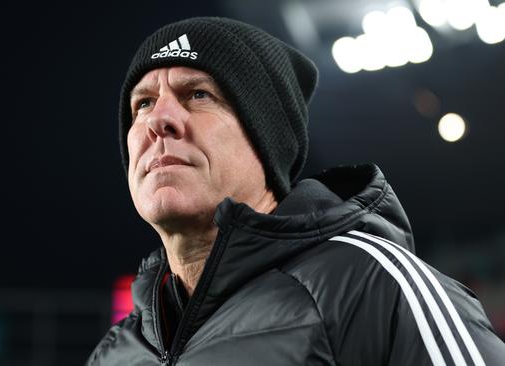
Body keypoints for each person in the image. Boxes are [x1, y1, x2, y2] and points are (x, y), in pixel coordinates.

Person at [87, 17, 505, 365]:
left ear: (267, 139)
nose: (158, 119)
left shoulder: (373, 286)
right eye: (141, 103)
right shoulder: (115, 351)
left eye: (198, 94)